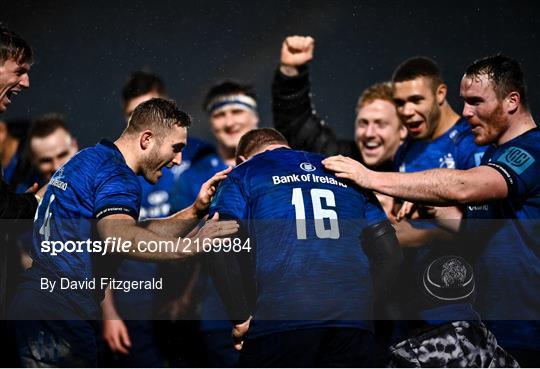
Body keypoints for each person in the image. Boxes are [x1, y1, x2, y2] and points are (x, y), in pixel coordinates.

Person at [323, 55, 539, 367]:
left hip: (523, 332)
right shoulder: (495, 153)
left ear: (511, 101)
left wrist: (371, 178)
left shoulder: (533, 148)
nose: (466, 112)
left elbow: (465, 186)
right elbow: (472, 226)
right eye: (464, 101)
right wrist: (435, 207)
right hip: (484, 328)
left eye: (476, 101)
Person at [8, 98, 238, 367]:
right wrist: (190, 247)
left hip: (35, 306)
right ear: (147, 139)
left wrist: (195, 212)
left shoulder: (89, 159)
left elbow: (130, 231)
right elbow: (118, 237)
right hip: (58, 314)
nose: (178, 160)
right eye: (176, 148)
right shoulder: (119, 175)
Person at [210, 128, 402, 367]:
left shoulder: (243, 173)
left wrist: (239, 317)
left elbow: (219, 243)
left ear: (241, 159)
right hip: (352, 325)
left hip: (281, 323)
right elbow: (390, 253)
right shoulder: (344, 170)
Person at [272, 35, 406, 170]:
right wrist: (290, 72)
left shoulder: (423, 169)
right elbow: (298, 127)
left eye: (381, 124)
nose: (369, 133)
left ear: (403, 130)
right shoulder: (343, 161)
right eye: (363, 123)